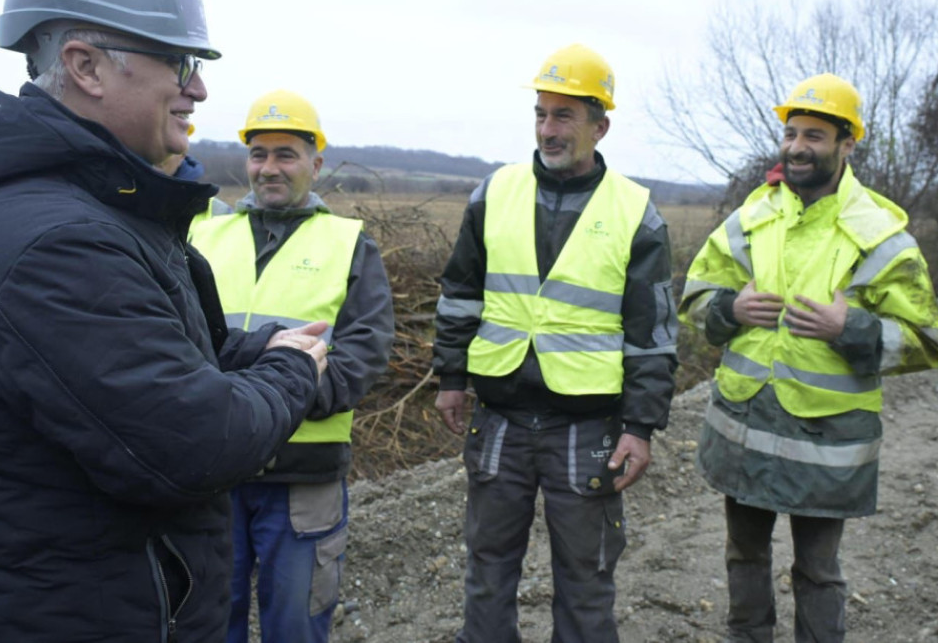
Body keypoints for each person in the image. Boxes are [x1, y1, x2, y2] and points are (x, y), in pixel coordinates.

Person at [0, 0, 328, 643]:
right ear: (86, 67)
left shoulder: (95, 213)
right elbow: (193, 444)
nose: (197, 88)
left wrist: (257, 349)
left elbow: (147, 369)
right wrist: (291, 369)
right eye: (181, 61)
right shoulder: (52, 244)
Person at [432, 43, 679, 643]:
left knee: (586, 578)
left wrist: (641, 427)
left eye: (563, 115)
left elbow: (653, 335)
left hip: (587, 427)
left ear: (601, 126)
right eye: (541, 114)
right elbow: (461, 291)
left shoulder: (635, 212)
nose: (547, 129)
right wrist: (451, 377)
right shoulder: (494, 193)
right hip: (500, 420)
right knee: (487, 572)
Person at [679, 73, 938, 642]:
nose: (797, 146)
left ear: (848, 144)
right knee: (743, 556)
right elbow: (694, 299)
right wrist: (731, 308)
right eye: (792, 133)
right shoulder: (751, 216)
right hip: (744, 428)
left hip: (828, 440)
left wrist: (854, 328)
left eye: (815, 135)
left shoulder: (880, 233)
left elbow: (926, 338)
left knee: (818, 571)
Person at [189, 89, 394, 643]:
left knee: (295, 627)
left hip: (303, 478)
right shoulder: (203, 236)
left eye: (286, 154)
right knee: (206, 624)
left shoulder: (350, 245)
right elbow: (179, 340)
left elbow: (362, 354)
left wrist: (274, 399)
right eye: (259, 154)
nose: (269, 168)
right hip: (214, 471)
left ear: (315, 164)